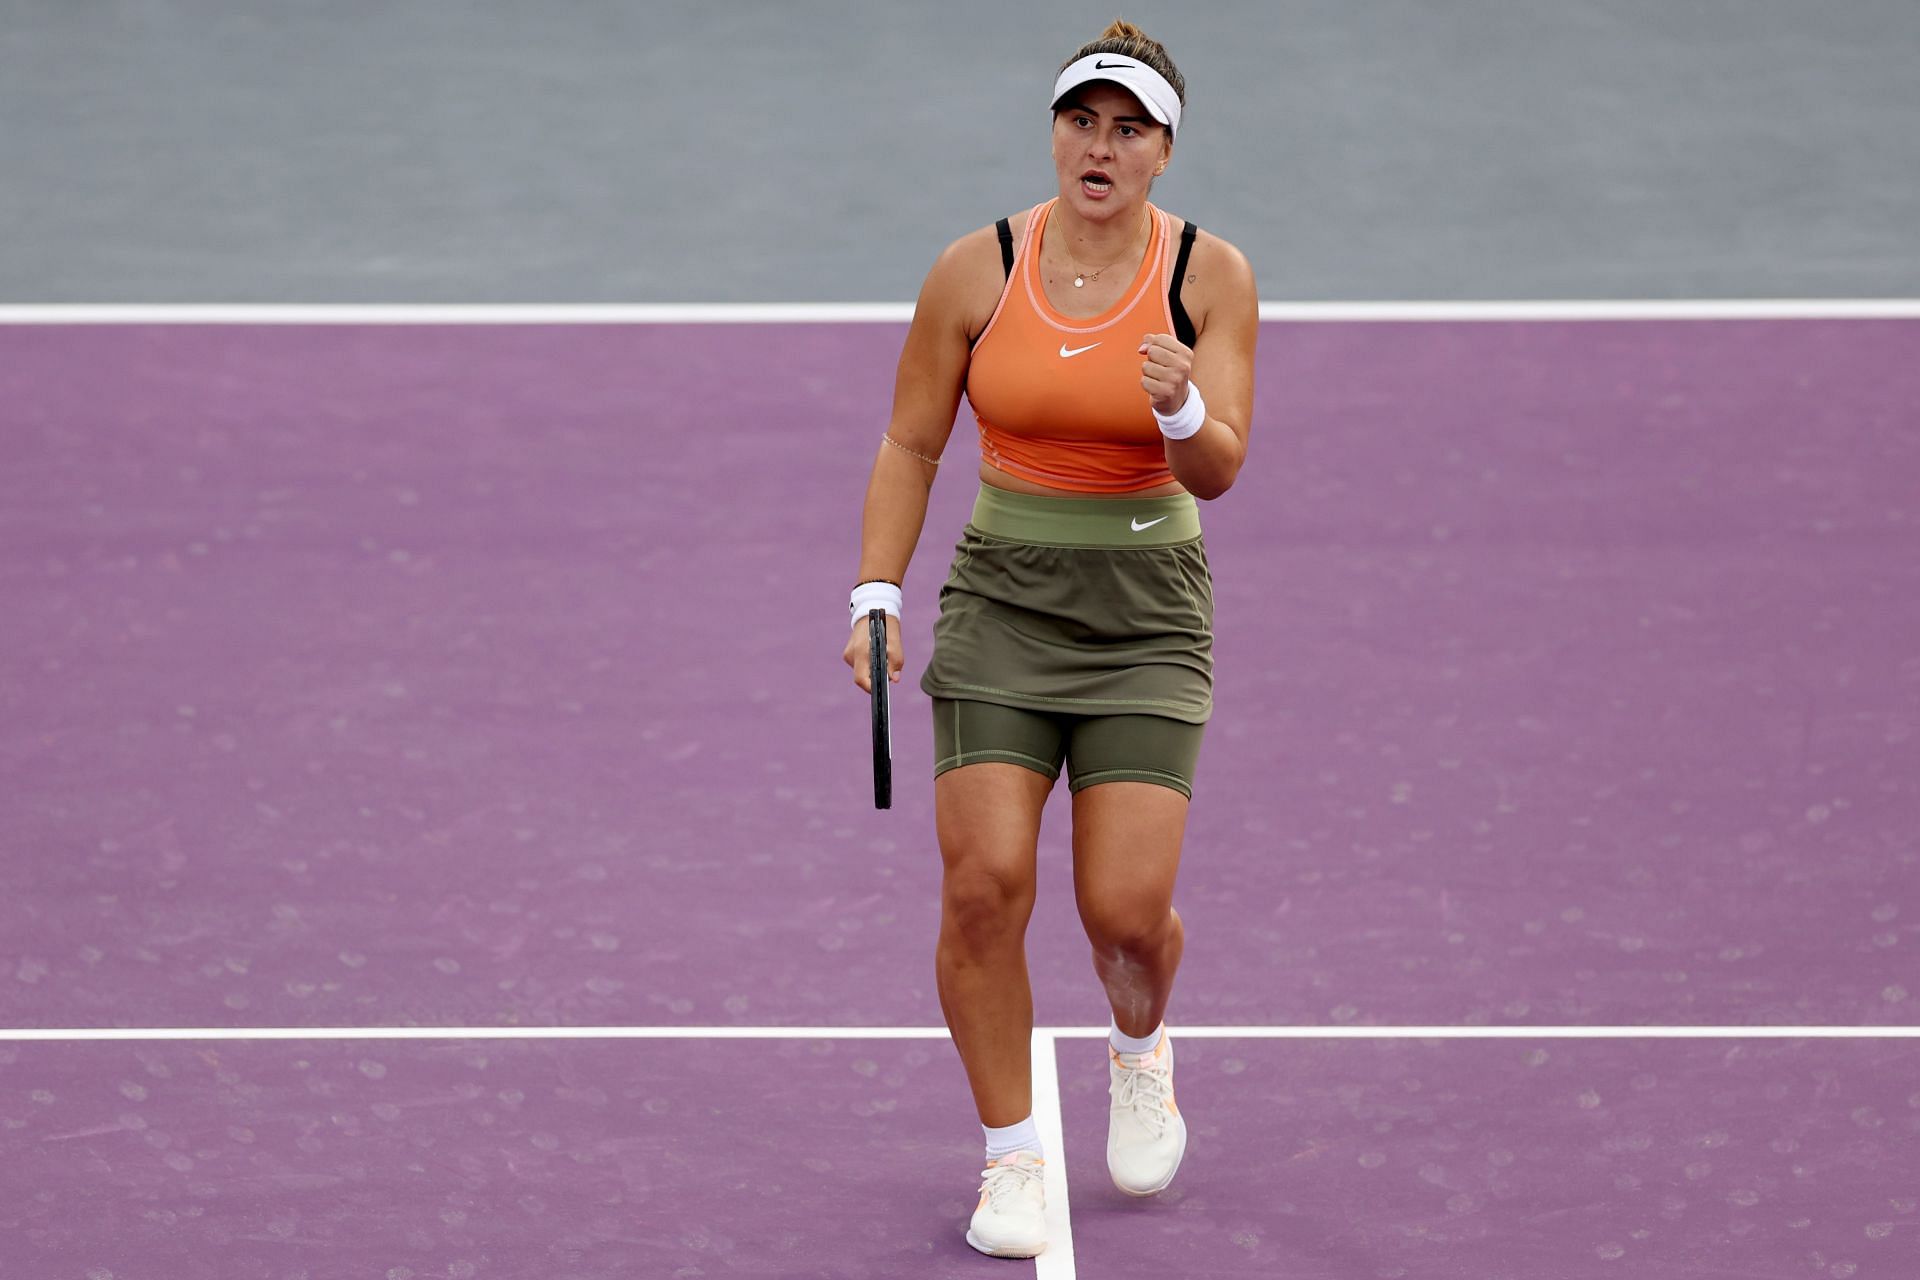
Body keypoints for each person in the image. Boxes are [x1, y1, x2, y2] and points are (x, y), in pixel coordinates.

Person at [841, 19, 1256, 1259]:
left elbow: (1221, 469)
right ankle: (1012, 1154)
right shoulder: (977, 267)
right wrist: (876, 589)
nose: (1100, 145)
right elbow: (912, 441)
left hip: (1147, 610)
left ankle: (1140, 1047)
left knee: (1124, 912)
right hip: (1003, 603)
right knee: (983, 890)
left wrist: (1179, 398)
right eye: (1083, 120)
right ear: (1058, 132)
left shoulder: (1208, 276)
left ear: (1164, 152)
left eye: (1129, 129)